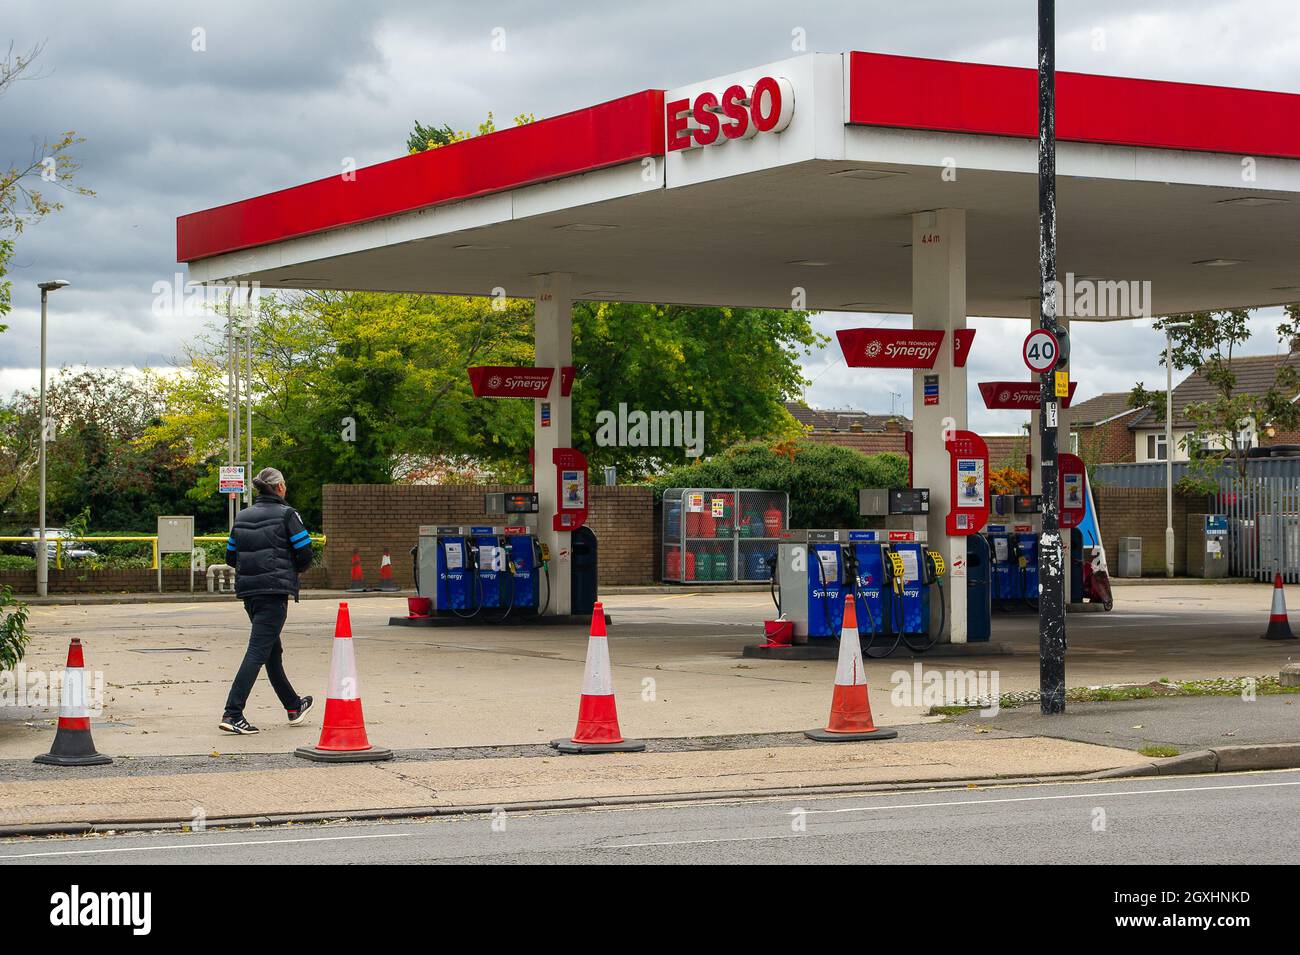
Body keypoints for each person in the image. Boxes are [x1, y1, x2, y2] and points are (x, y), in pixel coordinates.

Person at [219, 467, 314, 735]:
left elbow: (230, 556)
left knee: (272, 652)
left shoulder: (243, 516)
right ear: (280, 487)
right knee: (258, 652)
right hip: (274, 592)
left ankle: (293, 705)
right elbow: (305, 553)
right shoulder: (288, 514)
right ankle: (233, 712)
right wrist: (292, 570)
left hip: (250, 594)